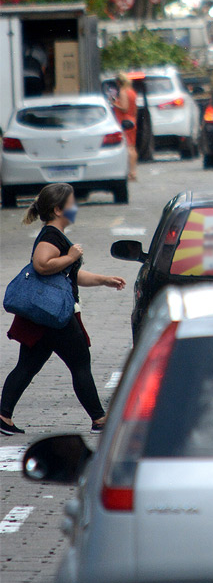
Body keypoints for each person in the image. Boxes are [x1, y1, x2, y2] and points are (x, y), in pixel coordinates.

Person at [1, 184, 126, 436]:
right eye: (71, 203)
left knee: (27, 365)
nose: (75, 208)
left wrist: (103, 279)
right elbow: (42, 264)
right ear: (58, 209)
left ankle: (3, 416)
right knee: (80, 363)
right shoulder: (51, 236)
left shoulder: (55, 235)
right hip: (56, 316)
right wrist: (71, 256)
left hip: (44, 314)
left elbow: (68, 275)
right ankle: (99, 420)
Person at [112, 72, 138, 181]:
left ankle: (131, 172)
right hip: (131, 120)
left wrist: (114, 103)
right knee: (132, 147)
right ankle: (133, 171)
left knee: (128, 148)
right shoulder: (132, 92)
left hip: (124, 121)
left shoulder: (123, 92)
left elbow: (124, 108)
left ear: (119, 82)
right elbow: (134, 108)